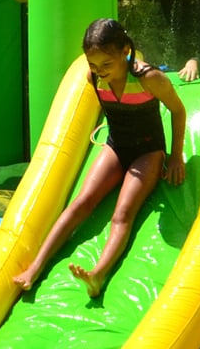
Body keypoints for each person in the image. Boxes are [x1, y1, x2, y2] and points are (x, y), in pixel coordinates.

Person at [13, 18, 186, 299]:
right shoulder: (92, 78)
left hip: (148, 151)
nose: (100, 72)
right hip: (116, 146)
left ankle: (98, 274)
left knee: (122, 214)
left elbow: (178, 111)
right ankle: (35, 268)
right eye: (94, 65)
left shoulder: (148, 78)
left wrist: (176, 155)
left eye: (106, 64)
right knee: (81, 203)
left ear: (125, 52)